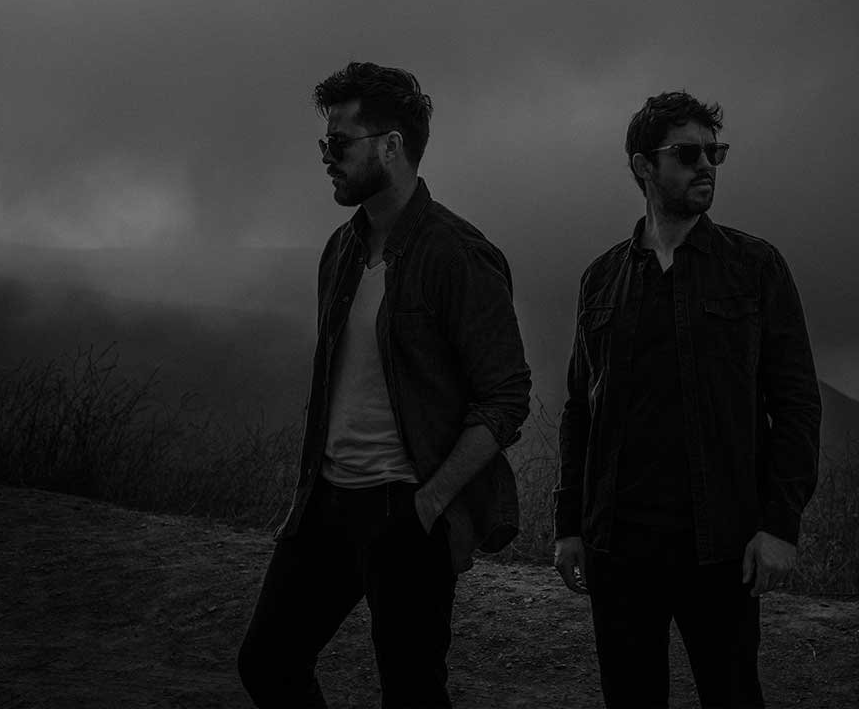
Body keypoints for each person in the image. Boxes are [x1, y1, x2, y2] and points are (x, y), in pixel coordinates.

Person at [238, 62, 532, 708]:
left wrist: (432, 504)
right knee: (267, 662)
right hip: (328, 504)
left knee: (411, 692)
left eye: (339, 143)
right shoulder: (341, 250)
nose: (326, 157)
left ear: (391, 146)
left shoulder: (458, 254)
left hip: (406, 509)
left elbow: (507, 396)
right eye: (324, 143)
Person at [553, 91, 821, 708]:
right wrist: (569, 526)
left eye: (714, 153)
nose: (706, 165)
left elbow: (797, 403)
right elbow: (579, 410)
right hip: (619, 547)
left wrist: (780, 526)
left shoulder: (754, 267)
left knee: (733, 696)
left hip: (721, 545)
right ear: (644, 166)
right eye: (688, 153)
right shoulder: (601, 279)